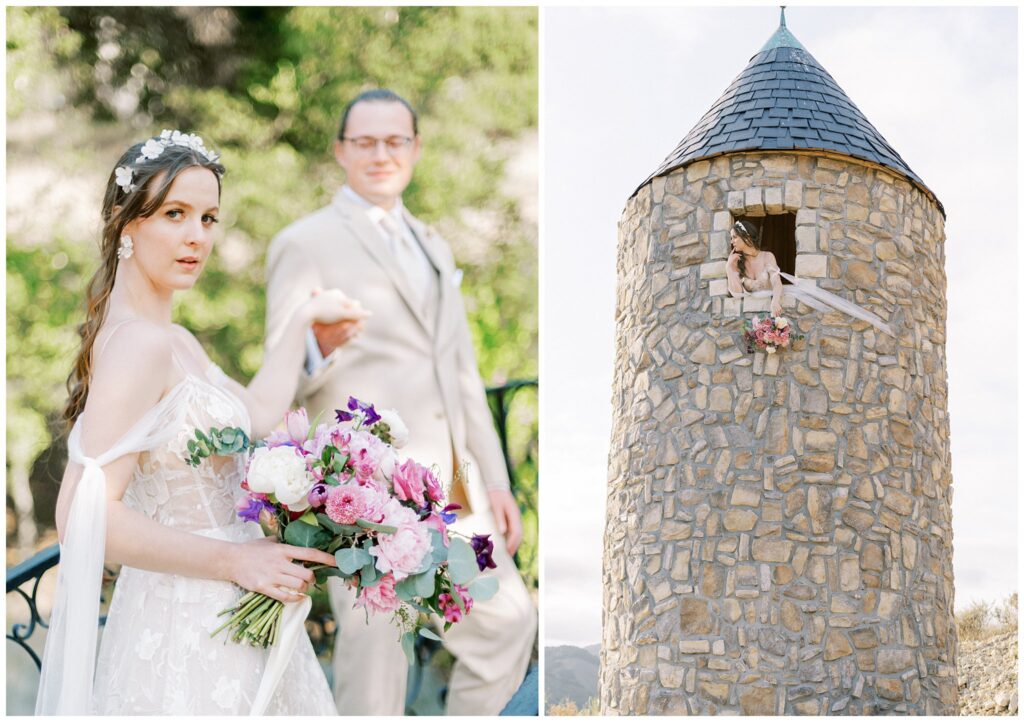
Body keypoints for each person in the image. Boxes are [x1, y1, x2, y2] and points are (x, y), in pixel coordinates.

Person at [36, 131, 369, 715]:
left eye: (209, 217)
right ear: (126, 222)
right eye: (175, 213)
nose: (198, 236)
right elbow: (80, 517)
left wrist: (299, 326)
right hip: (184, 633)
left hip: (238, 617)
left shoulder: (176, 340)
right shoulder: (140, 346)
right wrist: (236, 559)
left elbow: (259, 414)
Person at [265, 89, 537, 715]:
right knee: (373, 679)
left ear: (414, 149)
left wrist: (495, 479)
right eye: (365, 142)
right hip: (361, 503)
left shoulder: (432, 244)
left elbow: (462, 373)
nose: (380, 154)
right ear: (341, 152)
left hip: (450, 499)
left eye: (395, 141)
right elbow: (278, 387)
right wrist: (317, 350)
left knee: (507, 625)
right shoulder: (303, 242)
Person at [725, 219, 784, 317]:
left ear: (747, 237)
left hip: (774, 313)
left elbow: (777, 282)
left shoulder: (767, 257)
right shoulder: (737, 263)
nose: (732, 242)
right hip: (751, 317)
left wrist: (775, 301)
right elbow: (737, 293)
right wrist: (729, 267)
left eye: (734, 237)